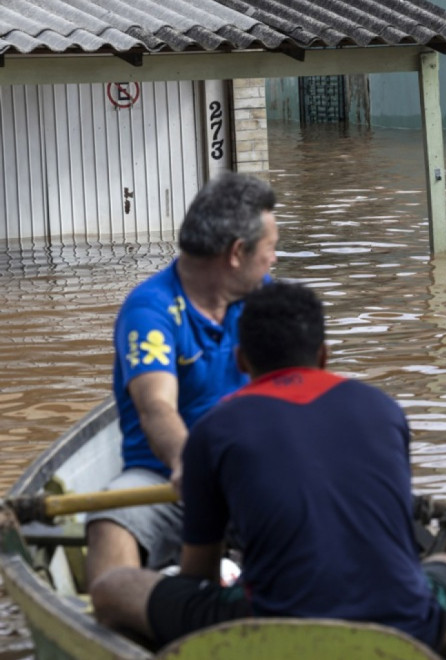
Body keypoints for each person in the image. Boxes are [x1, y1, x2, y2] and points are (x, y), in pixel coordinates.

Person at [90, 281, 446, 656]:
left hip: (271, 625)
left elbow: (198, 575)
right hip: (404, 626)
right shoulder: (384, 410)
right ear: (324, 355)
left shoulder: (215, 428)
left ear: (241, 360)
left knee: (112, 588)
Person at [85, 172, 279, 589]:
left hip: (252, 472)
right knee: (108, 526)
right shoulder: (151, 309)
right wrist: (191, 466)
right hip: (165, 478)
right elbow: (157, 407)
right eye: (270, 249)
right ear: (236, 253)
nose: (273, 261)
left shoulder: (265, 297)